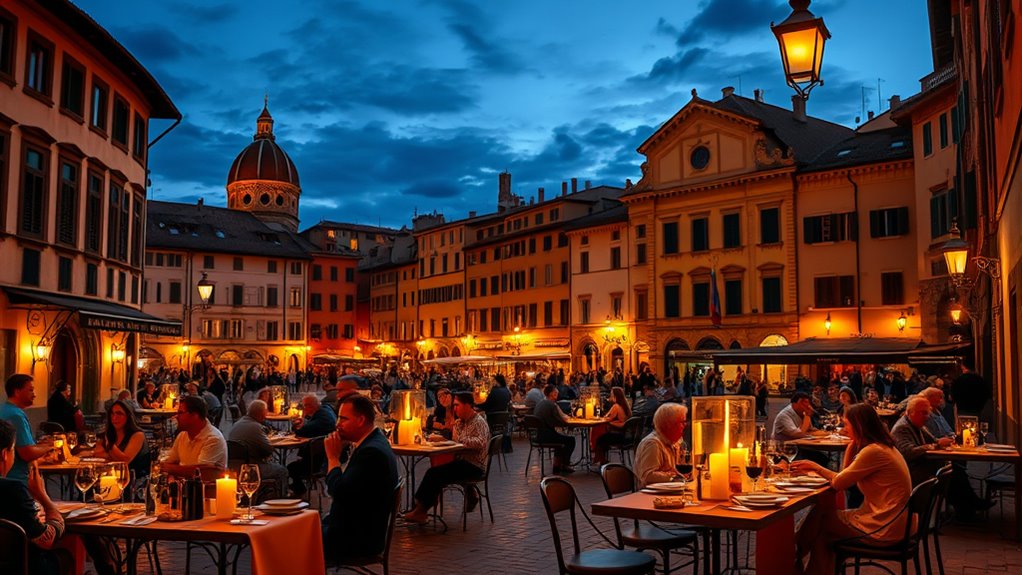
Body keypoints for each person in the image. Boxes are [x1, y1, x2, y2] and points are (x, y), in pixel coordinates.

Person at [791, 404, 913, 575]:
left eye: (847, 424)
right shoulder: (885, 447)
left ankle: (795, 554)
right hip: (897, 524)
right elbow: (844, 477)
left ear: (858, 426)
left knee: (823, 519)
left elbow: (839, 483)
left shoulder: (873, 452)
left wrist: (814, 467)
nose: (844, 428)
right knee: (824, 531)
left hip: (884, 528)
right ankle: (797, 557)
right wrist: (852, 445)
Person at [322, 394, 399, 564]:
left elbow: (339, 492)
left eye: (343, 419)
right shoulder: (375, 442)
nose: (337, 424)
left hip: (355, 540)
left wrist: (333, 458)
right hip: (354, 530)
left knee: (289, 541)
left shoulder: (372, 453)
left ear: (361, 420)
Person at [891, 396, 992, 519]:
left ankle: (968, 508)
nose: (927, 417)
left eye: (928, 413)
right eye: (923, 413)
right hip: (912, 471)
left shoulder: (918, 425)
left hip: (924, 465)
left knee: (955, 470)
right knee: (950, 474)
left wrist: (944, 441)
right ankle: (967, 510)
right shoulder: (902, 428)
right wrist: (936, 445)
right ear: (910, 412)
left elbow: (934, 440)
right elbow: (908, 452)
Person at [403, 392, 491, 524]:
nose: (455, 408)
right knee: (435, 472)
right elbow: (455, 442)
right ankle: (420, 507)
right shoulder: (460, 423)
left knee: (434, 474)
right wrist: (446, 439)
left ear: (467, 405)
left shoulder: (479, 422)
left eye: (457, 405)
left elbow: (480, 443)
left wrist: (458, 441)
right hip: (461, 462)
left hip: (474, 466)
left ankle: (421, 510)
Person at [0, 420, 69, 575]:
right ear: (5, 454)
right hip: (20, 567)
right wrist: (42, 495)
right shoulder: (13, 490)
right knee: (64, 557)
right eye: (13, 451)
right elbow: (46, 540)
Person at [227, 399, 289, 500]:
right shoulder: (255, 427)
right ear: (261, 414)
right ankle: (281, 500)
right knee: (282, 471)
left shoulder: (237, 424)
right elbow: (268, 450)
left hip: (234, 467)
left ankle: (265, 494)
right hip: (250, 468)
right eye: (265, 413)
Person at [0, 374, 52, 484]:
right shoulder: (16, 415)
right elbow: (27, 453)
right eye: (31, 390)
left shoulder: (4, 409)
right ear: (17, 392)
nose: (35, 394)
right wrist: (50, 447)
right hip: (16, 480)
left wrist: (40, 445)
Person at [161, 395, 227, 478]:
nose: (176, 417)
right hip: (184, 484)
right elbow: (171, 461)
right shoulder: (182, 436)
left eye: (180, 413)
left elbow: (201, 473)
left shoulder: (213, 439)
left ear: (195, 415)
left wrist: (171, 468)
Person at [288, 395, 338, 496]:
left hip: (319, 463)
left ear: (310, 406)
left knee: (291, 467)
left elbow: (301, 431)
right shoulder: (325, 409)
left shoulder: (323, 419)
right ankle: (298, 487)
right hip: (321, 457)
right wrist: (305, 420)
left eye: (304, 406)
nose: (303, 409)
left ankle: (299, 489)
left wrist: (298, 425)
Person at [633, 403, 688, 488]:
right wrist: (673, 476)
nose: (685, 425)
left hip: (670, 491)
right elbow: (647, 476)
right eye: (682, 422)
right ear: (669, 425)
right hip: (652, 494)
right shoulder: (653, 444)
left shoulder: (674, 442)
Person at [93, 400, 151, 481]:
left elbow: (125, 462)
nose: (114, 418)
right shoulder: (109, 434)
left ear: (128, 416)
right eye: (112, 414)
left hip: (135, 482)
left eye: (119, 414)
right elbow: (97, 454)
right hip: (113, 479)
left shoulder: (138, 435)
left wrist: (109, 445)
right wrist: (111, 455)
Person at [772, 392, 829, 466]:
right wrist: (807, 415)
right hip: (784, 451)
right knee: (818, 459)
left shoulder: (801, 413)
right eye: (805, 404)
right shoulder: (784, 416)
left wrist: (828, 434)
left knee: (823, 458)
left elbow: (810, 430)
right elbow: (799, 434)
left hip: (799, 448)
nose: (808, 407)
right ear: (798, 403)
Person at [533, 384, 576, 473]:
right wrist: (570, 423)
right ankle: (565, 464)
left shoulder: (541, 403)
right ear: (552, 394)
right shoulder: (551, 405)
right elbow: (559, 421)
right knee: (571, 440)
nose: (558, 394)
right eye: (556, 392)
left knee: (560, 440)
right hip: (546, 436)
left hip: (538, 435)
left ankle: (557, 465)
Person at [593, 387, 632, 466]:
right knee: (602, 436)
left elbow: (607, 418)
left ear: (615, 397)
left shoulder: (616, 406)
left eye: (611, 395)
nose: (610, 397)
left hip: (618, 435)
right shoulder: (624, 407)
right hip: (625, 435)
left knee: (600, 438)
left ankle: (600, 459)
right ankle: (601, 459)